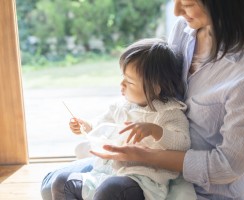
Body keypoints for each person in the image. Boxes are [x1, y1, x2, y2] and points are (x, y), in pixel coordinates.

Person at [41, 0, 244, 199]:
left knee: (107, 193)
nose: (177, 10)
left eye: (187, 3)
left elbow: (226, 166)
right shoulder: (185, 29)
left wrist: (141, 154)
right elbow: (157, 88)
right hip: (141, 161)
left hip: (204, 187)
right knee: (52, 184)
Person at [48, 38, 192, 200]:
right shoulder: (122, 106)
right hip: (106, 173)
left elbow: (183, 144)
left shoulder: (168, 112)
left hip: (141, 181)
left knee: (110, 190)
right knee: (61, 182)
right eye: (123, 77)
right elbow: (100, 124)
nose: (121, 84)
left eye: (129, 82)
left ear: (155, 88)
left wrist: (155, 131)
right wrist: (85, 125)